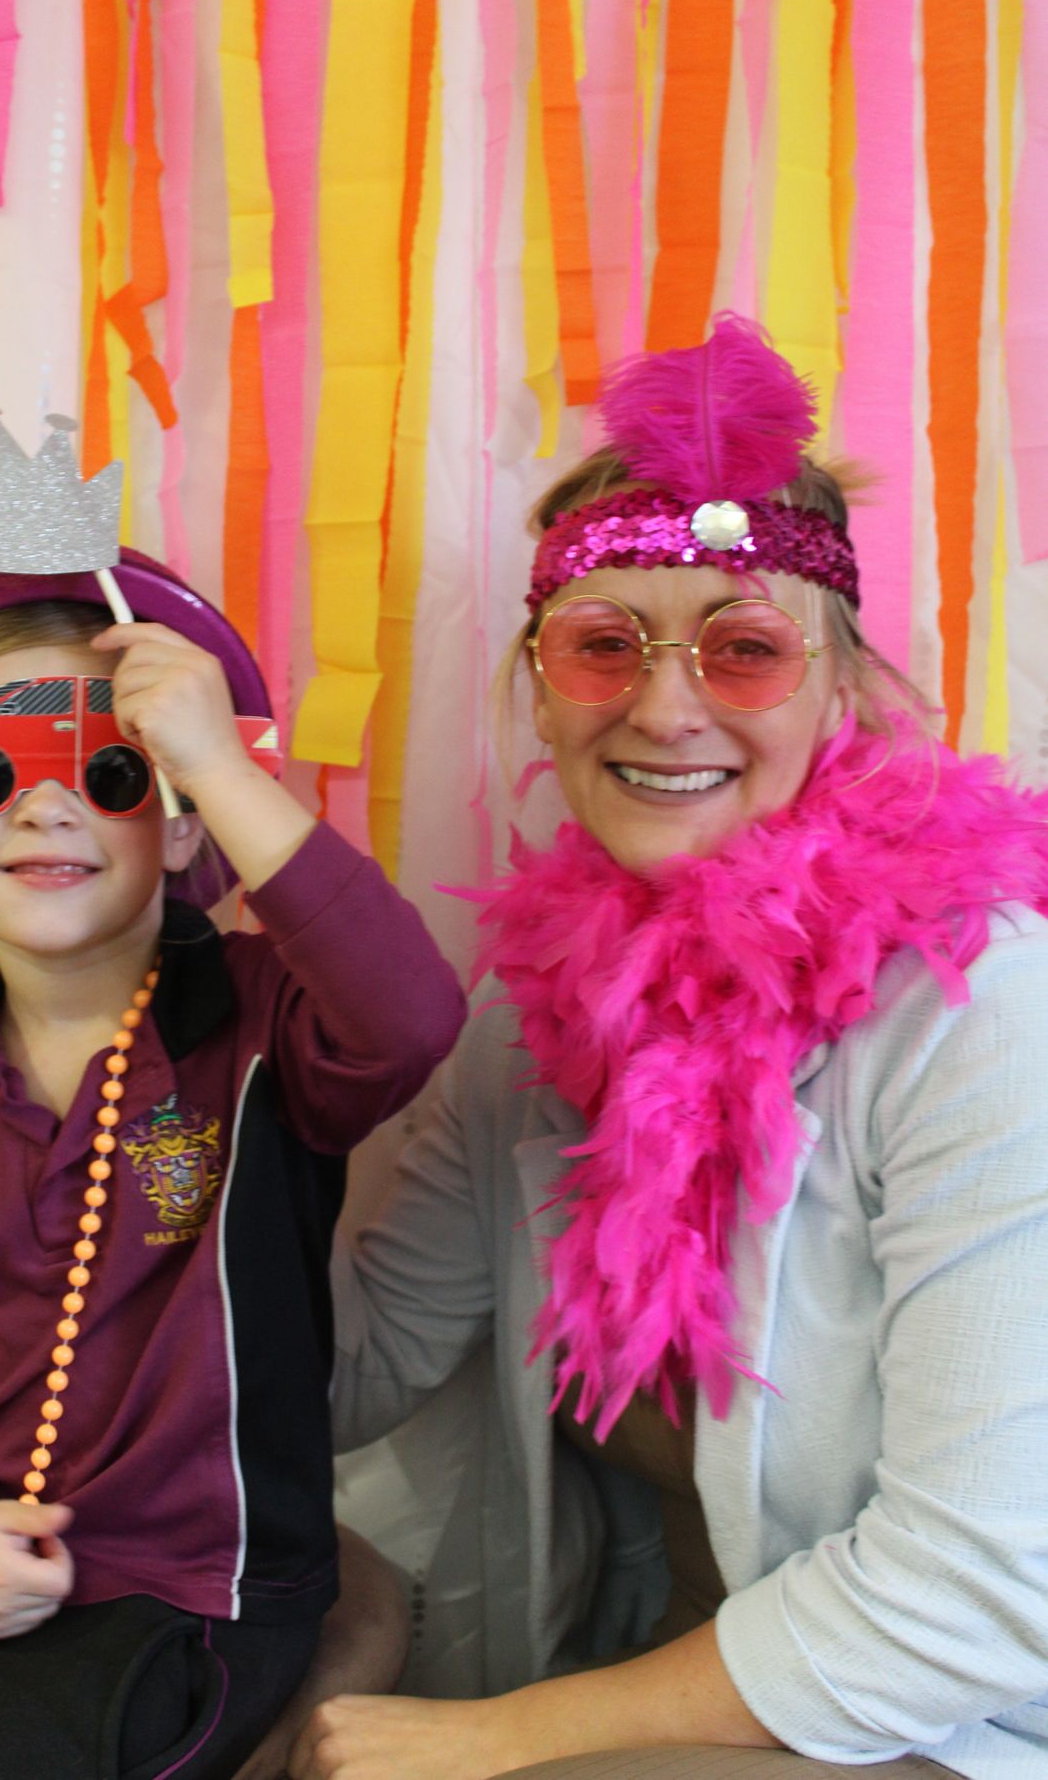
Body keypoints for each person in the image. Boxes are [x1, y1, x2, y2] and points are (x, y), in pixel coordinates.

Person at [295, 317, 1048, 1780]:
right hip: (658, 1677)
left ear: (842, 689)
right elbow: (353, 1374)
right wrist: (152, 1116)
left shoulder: (982, 1012)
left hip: (953, 1724)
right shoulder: (530, 1028)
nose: (663, 705)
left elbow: (983, 1586)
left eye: (744, 651)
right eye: (602, 646)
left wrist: (494, 1738)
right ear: (539, 682)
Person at [0, 548, 465, 1780]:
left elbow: (408, 1017)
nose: (44, 808)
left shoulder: (263, 1029)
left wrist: (216, 766)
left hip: (188, 1596)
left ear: (183, 825)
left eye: (112, 771)